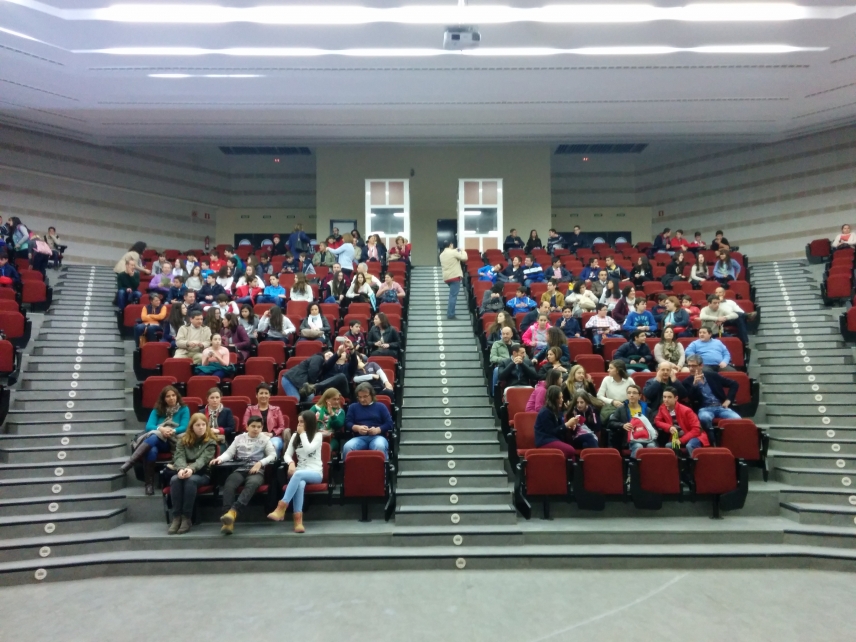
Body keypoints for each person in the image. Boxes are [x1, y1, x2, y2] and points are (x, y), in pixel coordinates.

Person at [211, 415, 276, 534]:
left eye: (258, 427)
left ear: (262, 428)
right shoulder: (239, 438)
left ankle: (233, 512)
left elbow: (273, 455)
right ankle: (227, 517)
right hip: (240, 468)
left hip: (256, 471)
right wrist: (219, 459)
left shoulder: (265, 439)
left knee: (252, 484)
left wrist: (260, 463)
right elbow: (229, 453)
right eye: (253, 426)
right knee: (229, 484)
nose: (256, 429)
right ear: (247, 427)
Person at [120, 385, 189, 494]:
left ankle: (130, 463)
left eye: (173, 395)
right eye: (168, 396)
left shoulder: (184, 409)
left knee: (153, 437)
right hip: (159, 440)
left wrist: (172, 431)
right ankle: (149, 484)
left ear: (177, 396)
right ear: (164, 399)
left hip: (173, 441)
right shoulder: (157, 410)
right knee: (152, 448)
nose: (171, 398)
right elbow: (149, 426)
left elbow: (184, 426)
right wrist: (161, 429)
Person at [266, 410, 324, 532]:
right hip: (300, 472)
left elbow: (308, 449)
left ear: (309, 422)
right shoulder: (294, 436)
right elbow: (287, 455)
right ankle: (298, 522)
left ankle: (281, 507)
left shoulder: (318, 435)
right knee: (300, 484)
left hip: (315, 472)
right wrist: (291, 462)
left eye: (302, 422)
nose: (299, 425)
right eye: (298, 422)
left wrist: (302, 434)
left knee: (297, 474)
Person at [166, 412, 218, 535]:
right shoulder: (182, 441)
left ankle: (186, 518)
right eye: (197, 425)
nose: (201, 427)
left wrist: (191, 469)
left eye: (203, 424)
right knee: (174, 480)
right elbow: (179, 457)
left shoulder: (210, 442)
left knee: (190, 481)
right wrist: (181, 469)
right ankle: (176, 517)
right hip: (183, 470)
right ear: (192, 427)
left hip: (202, 474)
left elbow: (203, 459)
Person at [682, 354, 741, 436]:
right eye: (689, 366)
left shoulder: (712, 375)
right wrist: (694, 385)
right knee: (704, 418)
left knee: (738, 419)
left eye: (694, 366)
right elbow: (690, 399)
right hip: (704, 408)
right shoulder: (687, 382)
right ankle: (711, 440)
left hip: (721, 407)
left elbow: (734, 384)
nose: (691, 368)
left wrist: (728, 400)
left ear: (701, 366)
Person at [342, 382, 392, 459]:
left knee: (379, 446)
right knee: (347, 446)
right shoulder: (353, 407)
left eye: (365, 396)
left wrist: (377, 430)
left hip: (377, 436)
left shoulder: (381, 406)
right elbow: (347, 423)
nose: (362, 399)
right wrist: (357, 428)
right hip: (359, 437)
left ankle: (383, 470)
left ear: (372, 395)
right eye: (360, 397)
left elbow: (389, 423)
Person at [654, 387, 708, 455]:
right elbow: (657, 421)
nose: (666, 400)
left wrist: (681, 440)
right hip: (678, 438)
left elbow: (696, 430)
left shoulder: (687, 410)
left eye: (669, 397)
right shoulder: (662, 408)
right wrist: (669, 427)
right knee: (668, 446)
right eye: (664, 397)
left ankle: (694, 464)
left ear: (676, 398)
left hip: (695, 436)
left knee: (690, 446)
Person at [607, 384, 655, 454]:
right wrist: (622, 425)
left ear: (639, 396)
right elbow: (611, 423)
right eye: (629, 393)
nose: (631, 395)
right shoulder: (621, 409)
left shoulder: (647, 410)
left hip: (647, 438)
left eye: (634, 393)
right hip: (629, 439)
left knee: (652, 446)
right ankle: (634, 464)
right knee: (638, 446)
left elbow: (652, 425)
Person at [533, 385, 577, 458]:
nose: (562, 400)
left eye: (562, 397)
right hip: (545, 440)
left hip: (555, 439)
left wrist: (570, 426)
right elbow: (551, 432)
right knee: (570, 450)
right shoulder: (545, 412)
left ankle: (569, 469)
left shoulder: (557, 410)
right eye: (560, 398)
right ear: (554, 399)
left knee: (572, 454)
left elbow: (560, 427)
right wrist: (567, 424)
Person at [597, 359, 636, 423]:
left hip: (627, 406)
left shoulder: (629, 380)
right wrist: (612, 401)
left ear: (618, 370)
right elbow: (599, 396)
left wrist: (626, 403)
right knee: (613, 418)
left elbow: (636, 394)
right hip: (611, 407)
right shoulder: (606, 380)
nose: (608, 370)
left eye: (611, 368)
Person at [440, 239, 467, 320]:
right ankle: (450, 314)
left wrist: (456, 250)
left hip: (447, 278)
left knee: (452, 295)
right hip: (455, 276)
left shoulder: (441, 254)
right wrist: (463, 251)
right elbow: (464, 258)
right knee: (453, 296)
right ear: (450, 245)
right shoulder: (453, 252)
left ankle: (450, 313)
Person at [490, 326, 515, 394]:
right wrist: (506, 360)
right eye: (503, 334)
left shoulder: (516, 345)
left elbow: (525, 357)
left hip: (515, 366)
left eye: (507, 334)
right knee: (496, 370)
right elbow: (492, 358)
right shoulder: (496, 344)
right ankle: (495, 394)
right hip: (502, 367)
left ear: (511, 334)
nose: (505, 336)